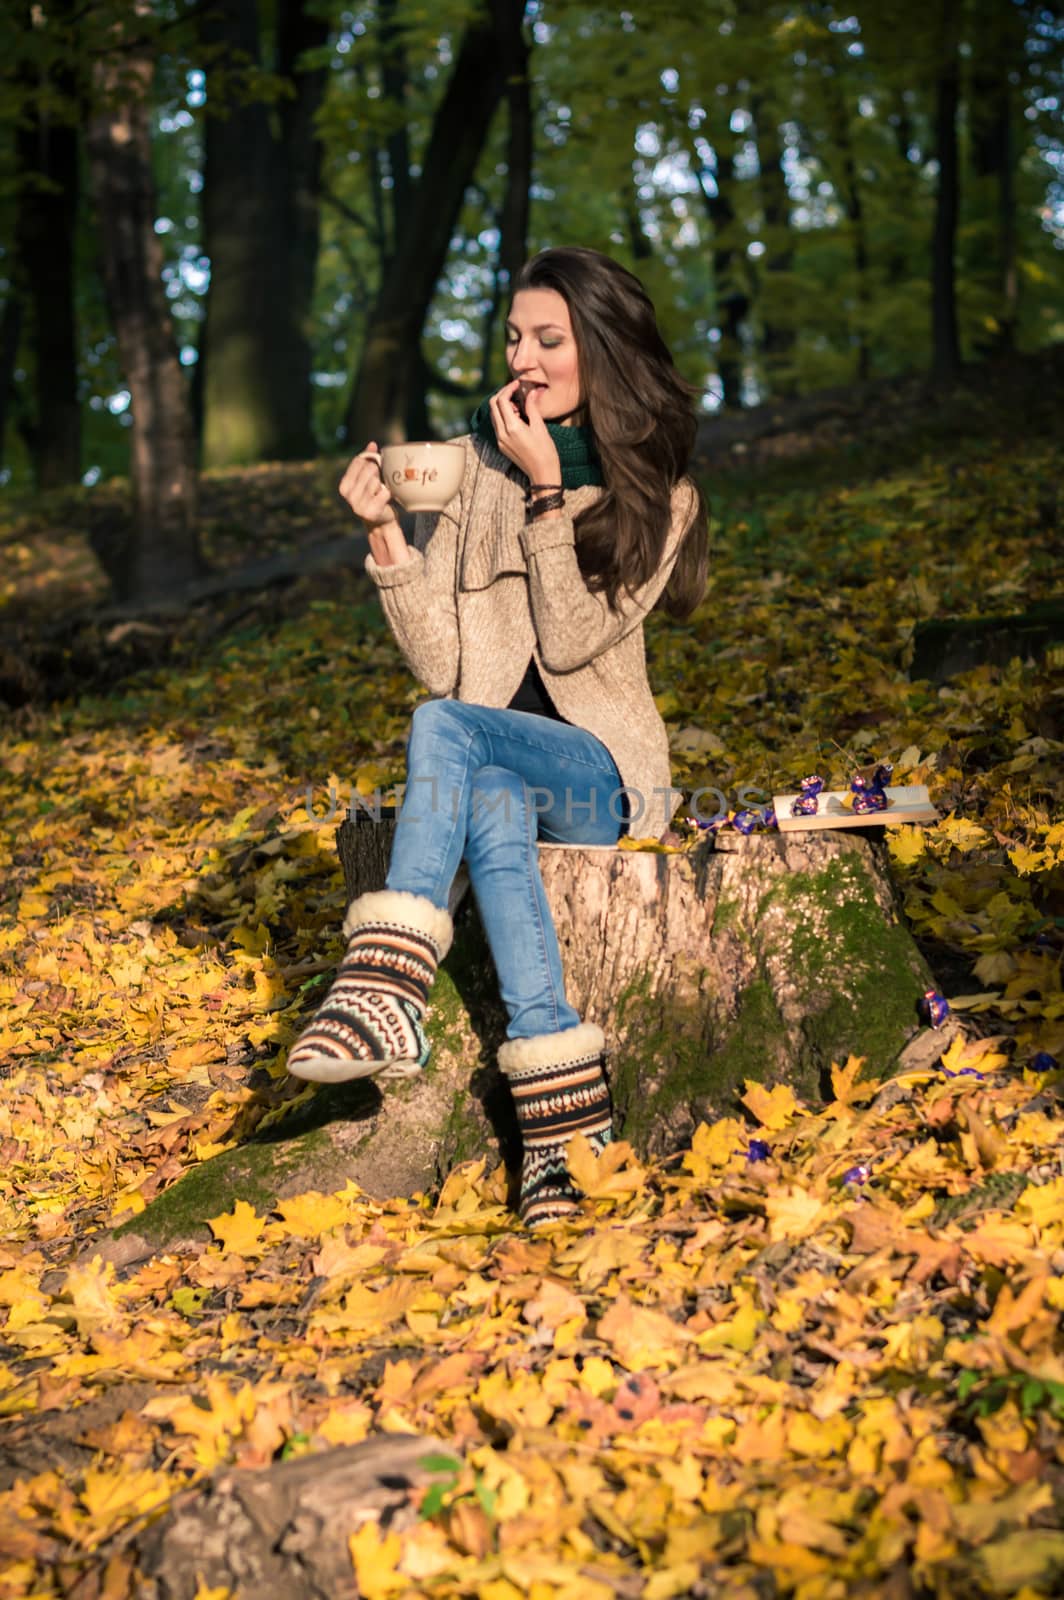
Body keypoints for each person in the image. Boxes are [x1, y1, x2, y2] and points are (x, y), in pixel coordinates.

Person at [286, 246, 708, 1227]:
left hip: (600, 776)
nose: (522, 357)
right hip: (490, 760)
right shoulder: (473, 472)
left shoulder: (662, 495)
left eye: (548, 339)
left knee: (446, 731)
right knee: (473, 773)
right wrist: (388, 535)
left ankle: (387, 977)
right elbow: (443, 664)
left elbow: (565, 642)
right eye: (513, 336)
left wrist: (547, 494)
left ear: (598, 352)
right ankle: (564, 1125)